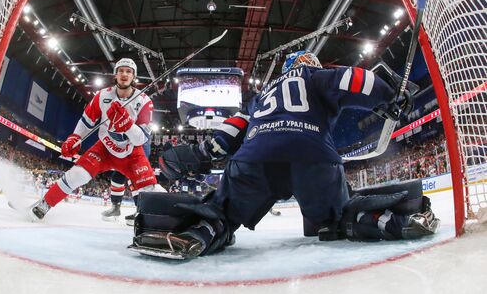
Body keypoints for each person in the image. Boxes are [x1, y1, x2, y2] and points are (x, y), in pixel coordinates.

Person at [130, 50, 438, 259]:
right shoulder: (317, 77)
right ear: (311, 65)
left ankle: (198, 232)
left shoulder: (262, 95)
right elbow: (354, 79)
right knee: (338, 217)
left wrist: (200, 152)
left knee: (223, 214)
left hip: (254, 159)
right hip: (313, 155)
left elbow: (226, 135)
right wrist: (390, 96)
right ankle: (394, 220)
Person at [30, 58, 166, 220]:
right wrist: (75, 137)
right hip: (105, 148)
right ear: (115, 75)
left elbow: (141, 140)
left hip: (132, 154)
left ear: (133, 77)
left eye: (128, 71)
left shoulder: (144, 101)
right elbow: (86, 121)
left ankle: (158, 221)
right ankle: (43, 205)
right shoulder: (102, 96)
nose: (124, 74)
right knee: (77, 174)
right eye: (121, 70)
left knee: (150, 190)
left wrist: (128, 125)